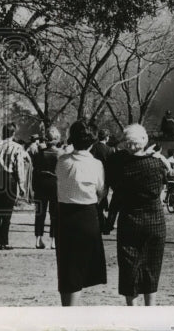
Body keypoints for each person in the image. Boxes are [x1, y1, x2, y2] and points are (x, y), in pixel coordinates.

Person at [106, 124, 167, 305]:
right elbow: (167, 180)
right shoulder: (157, 163)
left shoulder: (120, 164)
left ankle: (131, 308)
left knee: (129, 265)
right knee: (152, 265)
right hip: (155, 220)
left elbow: (116, 195)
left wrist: (109, 221)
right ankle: (150, 307)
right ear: (145, 140)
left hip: (130, 220)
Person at [55, 121, 107, 305]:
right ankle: (72, 309)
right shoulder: (96, 164)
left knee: (66, 266)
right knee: (80, 266)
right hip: (87, 215)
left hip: (65, 216)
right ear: (92, 142)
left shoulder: (62, 161)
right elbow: (101, 192)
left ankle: (67, 308)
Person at [0, 123, 28, 250]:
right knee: (6, 212)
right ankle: (3, 241)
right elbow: (19, 167)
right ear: (13, 133)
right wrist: (21, 185)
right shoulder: (17, 147)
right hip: (10, 180)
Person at [32, 126, 62, 249]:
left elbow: (35, 169)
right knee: (54, 213)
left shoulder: (39, 153)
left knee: (40, 212)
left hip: (40, 183)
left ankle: (38, 239)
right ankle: (53, 240)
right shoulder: (60, 154)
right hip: (55, 183)